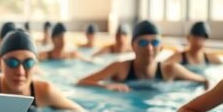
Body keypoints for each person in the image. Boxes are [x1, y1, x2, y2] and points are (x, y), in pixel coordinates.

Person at [0, 30, 83, 112]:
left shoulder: (44, 92)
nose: (20, 71)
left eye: (28, 63)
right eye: (12, 62)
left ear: (36, 65)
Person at [77, 20, 207, 92]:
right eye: (143, 42)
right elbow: (82, 82)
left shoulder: (171, 70)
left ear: (161, 47)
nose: (149, 48)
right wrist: (106, 86)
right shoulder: (120, 68)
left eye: (154, 42)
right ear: (133, 46)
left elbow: (204, 80)